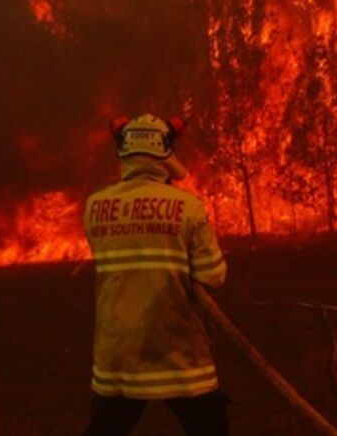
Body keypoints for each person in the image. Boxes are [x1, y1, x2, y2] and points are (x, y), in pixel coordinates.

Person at [81, 114, 230, 436]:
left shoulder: (95, 206)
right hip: (178, 353)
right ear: (165, 151)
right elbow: (213, 277)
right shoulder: (188, 206)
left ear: (123, 151)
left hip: (117, 354)